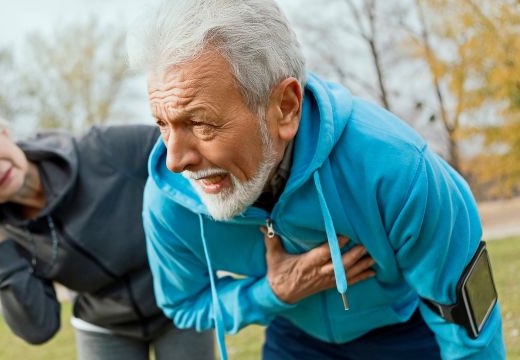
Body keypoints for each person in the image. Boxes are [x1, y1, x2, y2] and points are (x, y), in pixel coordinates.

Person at [128, 0, 506, 359]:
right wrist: (272, 293)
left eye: (200, 123)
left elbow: (469, 323)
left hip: (407, 335)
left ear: (285, 108)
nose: (175, 161)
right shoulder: (167, 199)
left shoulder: (399, 168)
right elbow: (183, 304)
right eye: (162, 124)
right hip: (296, 340)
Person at [0, 99, 216, 360]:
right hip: (103, 328)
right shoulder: (4, 231)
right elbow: (39, 328)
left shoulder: (103, 150)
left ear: (2, 131)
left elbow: (192, 157)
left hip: (180, 304)